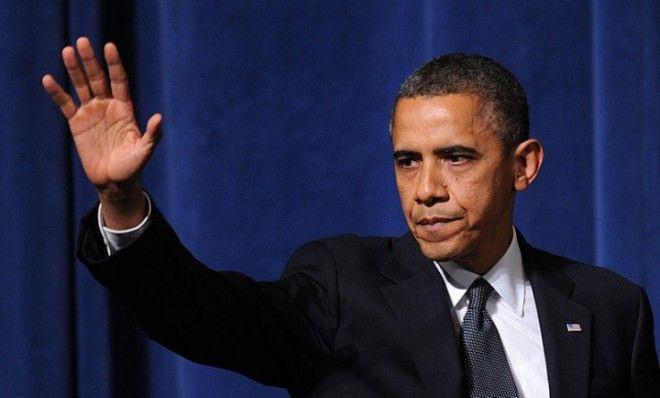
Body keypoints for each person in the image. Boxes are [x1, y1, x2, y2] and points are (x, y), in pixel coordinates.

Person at [43, 37, 659, 397]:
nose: (427, 190)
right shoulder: (342, 286)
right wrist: (122, 203)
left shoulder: (611, 309)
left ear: (523, 165)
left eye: (456, 158)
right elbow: (204, 316)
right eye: (406, 161)